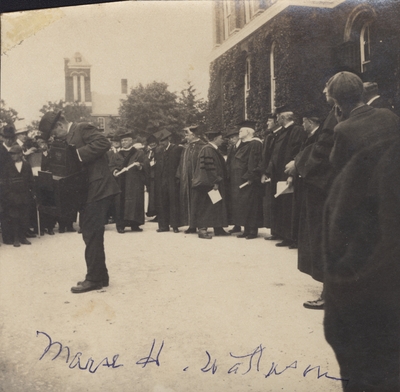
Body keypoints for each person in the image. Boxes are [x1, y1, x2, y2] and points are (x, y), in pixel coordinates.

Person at [323, 71, 400, 390]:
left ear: (336, 104)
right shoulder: (388, 116)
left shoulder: (343, 130)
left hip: (364, 221)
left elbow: (341, 180)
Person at [38, 111, 120, 293]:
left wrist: (77, 155)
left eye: (53, 133)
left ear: (60, 125)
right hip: (86, 191)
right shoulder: (65, 139)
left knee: (90, 233)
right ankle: (101, 276)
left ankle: (93, 279)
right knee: (92, 233)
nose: (53, 137)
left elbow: (103, 142)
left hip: (98, 189)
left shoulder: (82, 128)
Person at [328, 72, 399, 174]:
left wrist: (342, 123)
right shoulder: (389, 114)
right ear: (362, 92)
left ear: (337, 102)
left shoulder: (342, 129)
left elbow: (337, 165)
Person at [268, 106, 306, 247]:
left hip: (288, 174)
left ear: (283, 117)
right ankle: (282, 233)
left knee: (290, 205)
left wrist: (292, 174)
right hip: (278, 175)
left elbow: (296, 152)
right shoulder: (282, 132)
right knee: (281, 204)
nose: (276, 119)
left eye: (277, 117)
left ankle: (292, 237)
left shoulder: (296, 131)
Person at [190, 129, 230, 239]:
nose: (222, 140)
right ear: (215, 139)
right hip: (208, 185)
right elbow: (209, 167)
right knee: (205, 206)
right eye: (221, 138)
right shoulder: (208, 150)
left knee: (216, 205)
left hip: (212, 183)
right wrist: (215, 181)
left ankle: (218, 228)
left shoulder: (212, 149)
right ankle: (202, 230)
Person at [229, 120, 263, 239]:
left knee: (252, 205)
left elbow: (254, 162)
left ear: (249, 132)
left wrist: (251, 177)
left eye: (241, 130)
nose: (239, 132)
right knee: (244, 205)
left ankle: (253, 231)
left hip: (248, 180)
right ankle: (246, 230)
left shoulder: (255, 144)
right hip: (240, 180)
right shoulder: (242, 144)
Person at [109, 131, 149, 233]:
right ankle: (120, 225)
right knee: (120, 203)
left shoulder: (139, 153)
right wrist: (114, 170)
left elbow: (145, 165)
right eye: (122, 140)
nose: (123, 142)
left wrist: (140, 166)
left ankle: (135, 224)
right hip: (121, 182)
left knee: (135, 202)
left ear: (131, 141)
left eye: (126, 140)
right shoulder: (116, 155)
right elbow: (111, 165)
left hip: (134, 182)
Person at [176, 124, 208, 234]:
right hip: (187, 180)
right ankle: (192, 225)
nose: (186, 137)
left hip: (199, 181)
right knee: (189, 201)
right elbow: (181, 163)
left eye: (187, 134)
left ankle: (201, 226)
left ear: (194, 135)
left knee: (199, 202)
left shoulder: (203, 147)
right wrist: (179, 176)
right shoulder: (187, 147)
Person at [2, 144, 34, 247]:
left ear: (20, 154)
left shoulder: (26, 165)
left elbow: (31, 180)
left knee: (24, 217)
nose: (12, 156)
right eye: (11, 154)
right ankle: (15, 238)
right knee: (14, 217)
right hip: (12, 196)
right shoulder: (7, 166)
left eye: (14, 154)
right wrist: (8, 194)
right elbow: (4, 182)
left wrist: (32, 193)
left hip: (24, 195)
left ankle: (23, 237)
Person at [154, 129, 183, 233]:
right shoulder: (157, 150)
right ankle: (163, 226)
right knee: (162, 202)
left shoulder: (177, 149)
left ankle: (175, 225)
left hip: (172, 180)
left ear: (168, 139)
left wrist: (178, 177)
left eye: (163, 141)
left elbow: (180, 164)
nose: (162, 143)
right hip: (161, 180)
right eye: (160, 141)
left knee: (173, 203)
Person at [260, 112, 282, 240]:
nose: (267, 123)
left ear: (276, 121)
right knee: (271, 202)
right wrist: (264, 173)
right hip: (269, 173)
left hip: (278, 173)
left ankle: (279, 232)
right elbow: (265, 156)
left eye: (269, 121)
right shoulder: (269, 136)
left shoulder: (282, 135)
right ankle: (274, 231)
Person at [225, 127, 241, 234]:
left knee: (241, 201)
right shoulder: (231, 148)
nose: (231, 139)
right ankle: (237, 224)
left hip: (240, 178)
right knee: (234, 202)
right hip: (232, 178)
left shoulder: (243, 145)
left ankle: (244, 225)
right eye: (230, 138)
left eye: (232, 137)